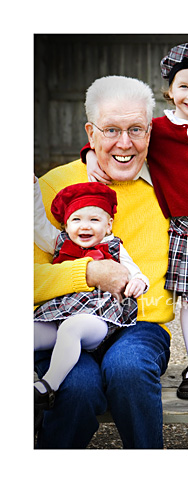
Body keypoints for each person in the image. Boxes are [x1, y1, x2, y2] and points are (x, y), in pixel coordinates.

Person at [82, 43, 188, 400]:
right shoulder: (156, 130)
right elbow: (125, 143)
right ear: (170, 91)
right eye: (183, 86)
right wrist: (87, 155)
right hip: (185, 229)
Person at [34, 75, 173, 449]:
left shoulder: (168, 185)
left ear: (150, 132)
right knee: (76, 387)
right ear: (90, 133)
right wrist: (89, 272)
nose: (124, 143)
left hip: (140, 323)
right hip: (67, 324)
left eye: (136, 130)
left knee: (128, 369)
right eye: (111, 130)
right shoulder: (53, 188)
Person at [33, 180, 149, 434]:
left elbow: (136, 272)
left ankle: (45, 387)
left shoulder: (114, 247)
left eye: (94, 220)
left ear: (108, 225)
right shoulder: (60, 243)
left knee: (73, 328)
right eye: (76, 220)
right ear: (66, 224)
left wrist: (139, 282)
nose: (84, 226)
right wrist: (31, 189)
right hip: (58, 317)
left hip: (95, 320)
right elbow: (37, 224)